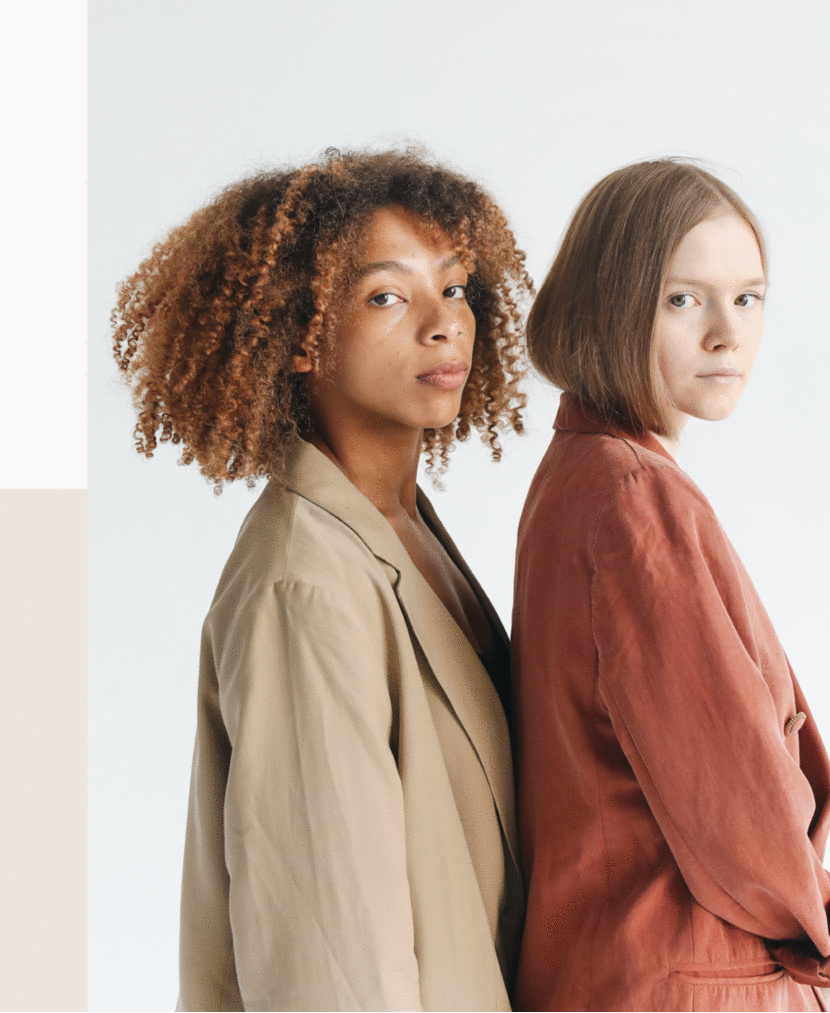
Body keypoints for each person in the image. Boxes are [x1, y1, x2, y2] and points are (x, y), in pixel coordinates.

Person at [112, 147, 532, 1012]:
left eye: (455, 287)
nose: (445, 323)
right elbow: (331, 962)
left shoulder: (402, 532)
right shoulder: (303, 585)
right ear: (299, 338)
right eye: (387, 296)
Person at [511, 159, 830, 1012]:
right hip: (678, 975)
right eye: (683, 299)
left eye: (748, 298)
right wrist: (823, 916)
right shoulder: (636, 494)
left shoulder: (579, 471)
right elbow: (729, 791)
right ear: (611, 305)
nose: (727, 334)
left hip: (609, 964)